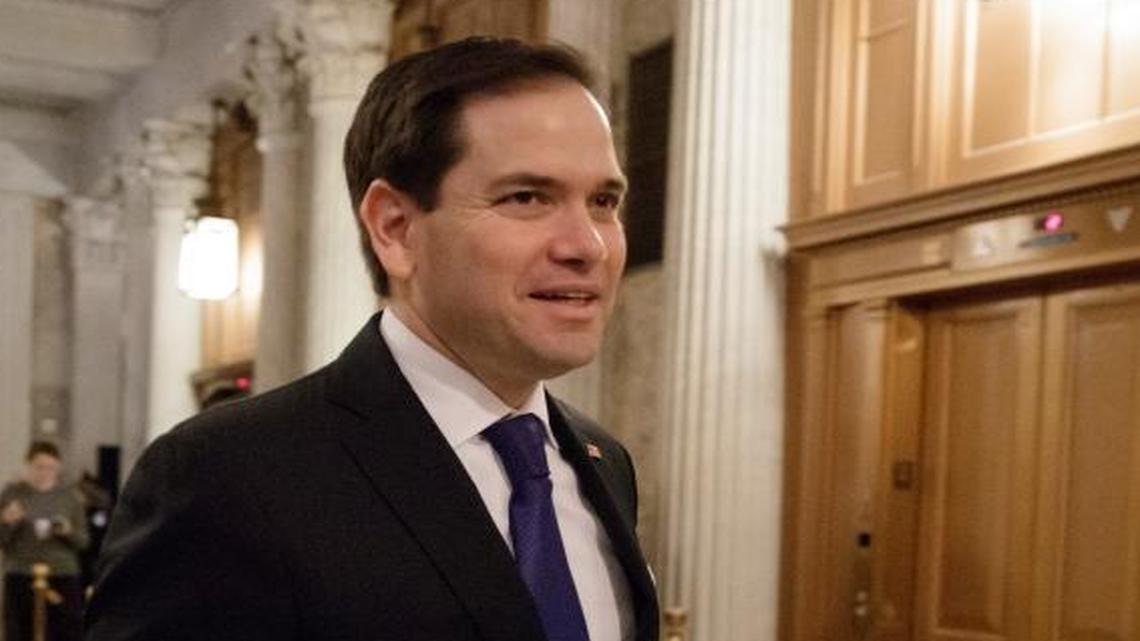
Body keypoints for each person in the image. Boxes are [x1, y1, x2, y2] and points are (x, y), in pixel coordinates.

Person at [86, 37, 659, 641]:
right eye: (527, 198)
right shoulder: (229, 476)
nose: (587, 245)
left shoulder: (603, 461)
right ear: (396, 228)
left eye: (603, 201)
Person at [1, 441, 88, 641]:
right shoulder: (12, 493)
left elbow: (83, 542)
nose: (45, 473)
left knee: (65, 631)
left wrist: (66, 531)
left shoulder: (70, 497)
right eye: (39, 467)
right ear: (28, 466)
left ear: (58, 468)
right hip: (21, 572)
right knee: (18, 630)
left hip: (61, 572)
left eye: (51, 468)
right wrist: (7, 521)